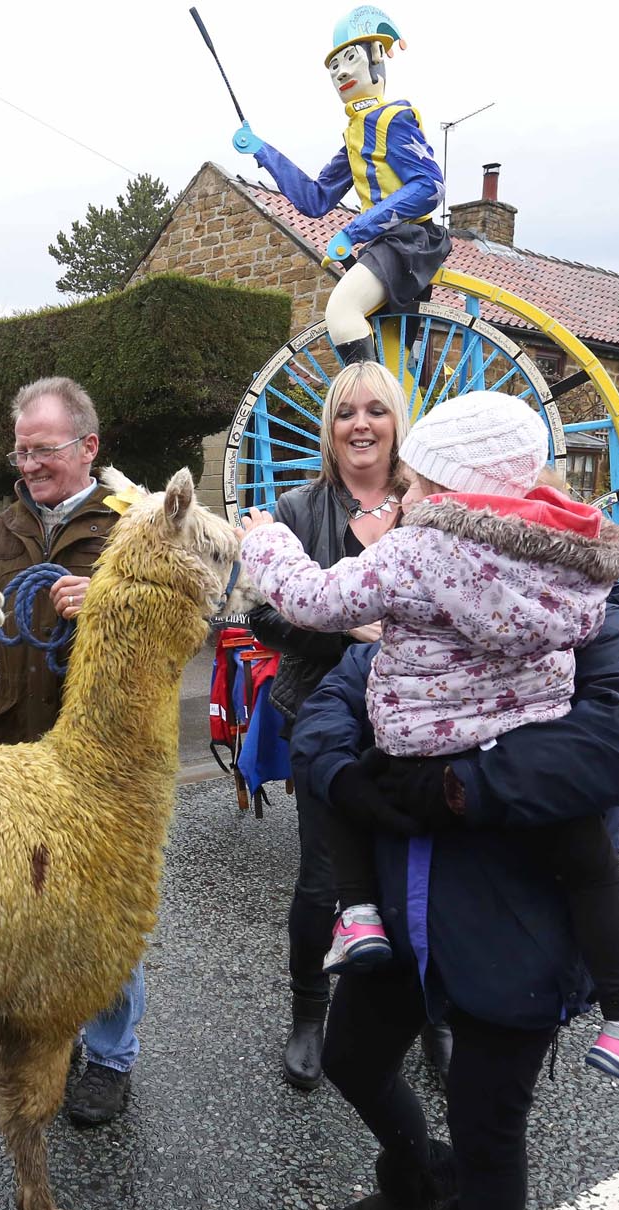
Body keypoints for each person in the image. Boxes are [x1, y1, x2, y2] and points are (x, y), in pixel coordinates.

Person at [242, 390, 619, 1099]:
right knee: (591, 868)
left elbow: (313, 601)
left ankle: (358, 916)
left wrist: (267, 543)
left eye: (413, 481)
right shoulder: (567, 558)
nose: (403, 494)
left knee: (348, 784)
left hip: (418, 739)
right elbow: (583, 631)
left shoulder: (415, 551)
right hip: (525, 738)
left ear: (440, 484)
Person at [293, 575, 619, 1210]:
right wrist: (343, 775)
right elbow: (331, 702)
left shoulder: (588, 613)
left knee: (486, 1120)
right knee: (351, 1058)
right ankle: (421, 1182)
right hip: (400, 907)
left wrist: (461, 784)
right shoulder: (427, 601)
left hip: (518, 923)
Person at [0, 375, 143, 1127]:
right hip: (14, 747)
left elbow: (181, 622)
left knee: (101, 915)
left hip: (101, 762)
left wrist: (109, 604)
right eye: (20, 452)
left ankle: (111, 1057)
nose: (28, 466)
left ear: (88, 446)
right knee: (22, 902)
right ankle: (38, 1036)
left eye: (43, 451)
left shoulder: (134, 523)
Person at [244, 362, 403, 1089]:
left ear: (397, 422)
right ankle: (310, 1011)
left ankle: (427, 1011)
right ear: (329, 428)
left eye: (376, 410)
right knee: (322, 876)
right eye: (346, 412)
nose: (360, 424)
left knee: (415, 869)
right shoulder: (298, 509)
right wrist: (349, 628)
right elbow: (264, 617)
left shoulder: (428, 502)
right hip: (321, 716)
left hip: (417, 718)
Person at [231, 5, 448, 367]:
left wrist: (355, 229)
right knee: (393, 356)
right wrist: (262, 150)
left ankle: (368, 397)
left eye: (350, 59)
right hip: (385, 246)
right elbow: (316, 200)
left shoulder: (392, 118)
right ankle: (382, 391)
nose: (342, 72)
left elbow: (430, 187)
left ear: (376, 57)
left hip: (410, 242)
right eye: (334, 68)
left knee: (343, 311)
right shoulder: (356, 133)